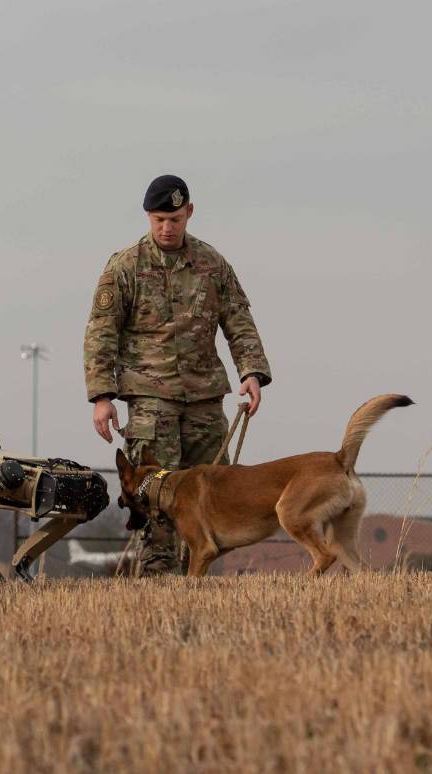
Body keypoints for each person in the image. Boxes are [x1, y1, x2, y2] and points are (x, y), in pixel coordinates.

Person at [83, 174, 272, 575]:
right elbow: (101, 332)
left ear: (189, 213)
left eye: (174, 219)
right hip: (152, 403)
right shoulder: (125, 267)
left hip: (205, 400)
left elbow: (238, 319)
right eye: (158, 220)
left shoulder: (211, 264)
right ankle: (157, 580)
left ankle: (199, 580)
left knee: (214, 497)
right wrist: (102, 397)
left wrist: (252, 372)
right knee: (154, 497)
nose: (167, 228)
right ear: (148, 218)